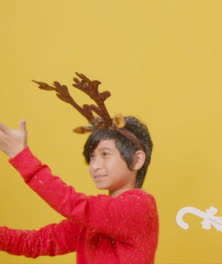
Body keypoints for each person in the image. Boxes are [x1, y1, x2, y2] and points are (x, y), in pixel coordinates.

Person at [0, 73, 158, 263]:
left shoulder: (140, 207)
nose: (95, 166)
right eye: (92, 157)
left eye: (105, 154)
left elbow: (74, 205)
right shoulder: (93, 221)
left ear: (137, 160)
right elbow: (39, 242)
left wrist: (22, 158)